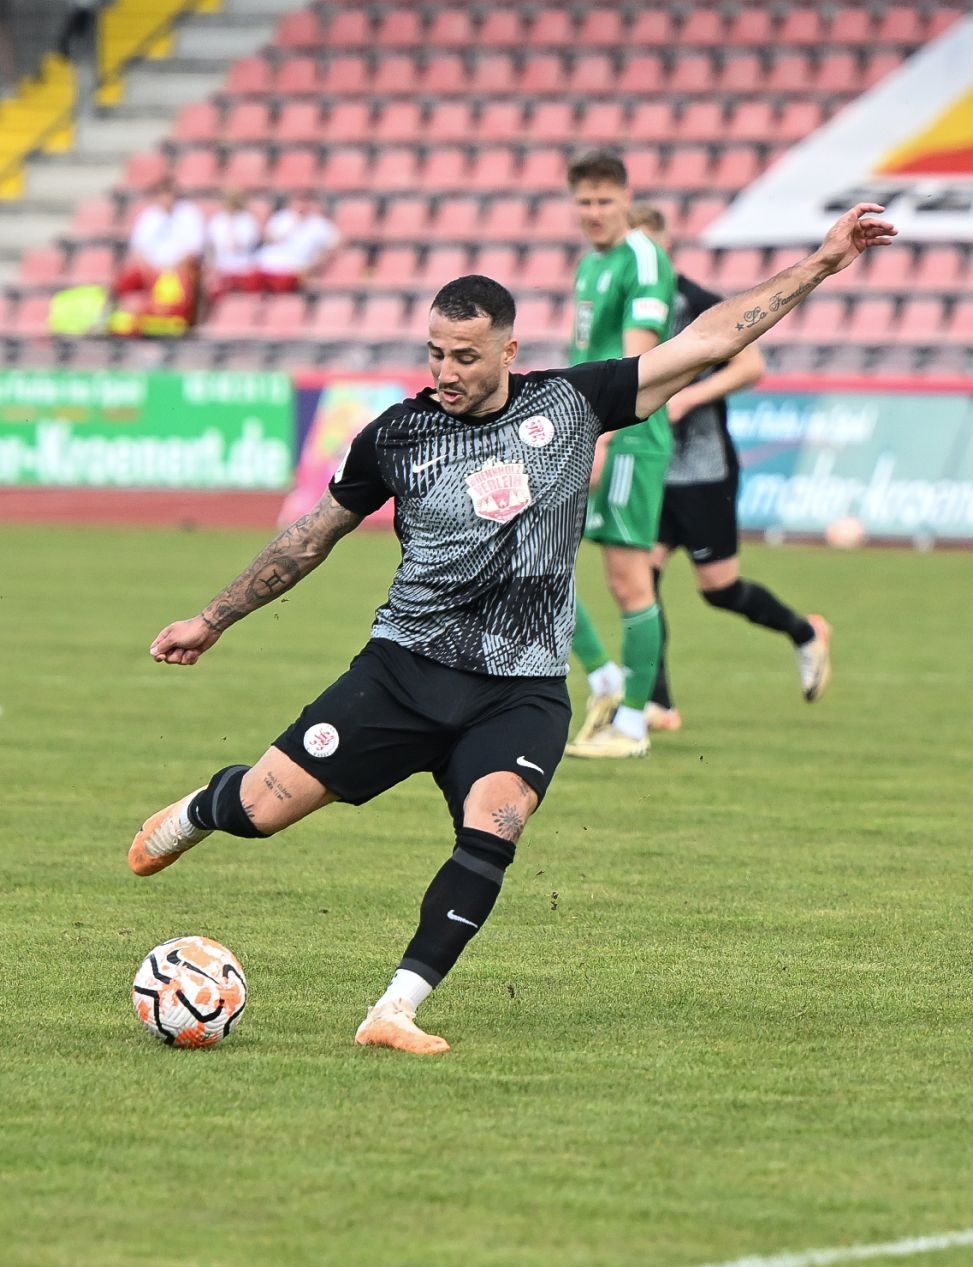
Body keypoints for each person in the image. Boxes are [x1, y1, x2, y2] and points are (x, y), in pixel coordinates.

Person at [126, 203, 897, 1056]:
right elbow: (311, 537)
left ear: (507, 351)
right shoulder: (396, 435)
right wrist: (212, 618)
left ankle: (394, 1009)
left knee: (497, 822)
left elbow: (707, 340)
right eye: (435, 353)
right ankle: (200, 810)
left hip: (522, 688)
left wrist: (823, 262)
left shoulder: (572, 403)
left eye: (465, 355)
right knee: (262, 811)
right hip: (404, 670)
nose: (446, 371)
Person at [630, 204, 830, 732]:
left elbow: (751, 365)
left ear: (664, 250)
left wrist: (690, 397)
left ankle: (805, 632)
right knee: (640, 579)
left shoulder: (694, 303)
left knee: (719, 588)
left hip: (703, 469)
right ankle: (658, 702)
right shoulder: (628, 306)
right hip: (653, 468)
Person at [560, 152, 677, 760]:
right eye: (584, 201)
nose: (594, 212)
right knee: (541, 559)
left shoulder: (643, 259)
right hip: (588, 428)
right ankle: (605, 679)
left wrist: (601, 438)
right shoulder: (591, 264)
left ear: (627, 199)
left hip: (627, 437)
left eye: (605, 200)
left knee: (629, 581)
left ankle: (632, 724)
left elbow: (637, 365)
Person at [115, 176, 204, 300]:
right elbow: (137, 250)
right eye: (162, 193)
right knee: (126, 279)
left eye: (169, 193)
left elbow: (194, 250)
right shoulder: (148, 216)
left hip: (178, 270)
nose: (166, 197)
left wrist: (172, 270)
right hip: (150, 271)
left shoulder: (189, 214)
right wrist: (150, 271)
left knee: (179, 285)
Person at [251, 190, 337, 293]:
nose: (301, 206)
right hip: (266, 266)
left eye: (305, 202)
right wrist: (292, 226)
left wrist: (317, 262)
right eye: (299, 201)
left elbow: (334, 243)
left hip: (293, 269)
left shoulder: (319, 224)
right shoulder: (282, 218)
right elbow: (269, 238)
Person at [204, 187, 261, 297]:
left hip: (243, 269)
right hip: (222, 268)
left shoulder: (247, 220)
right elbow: (211, 246)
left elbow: (243, 244)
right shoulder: (217, 220)